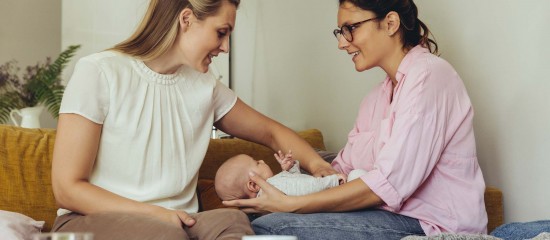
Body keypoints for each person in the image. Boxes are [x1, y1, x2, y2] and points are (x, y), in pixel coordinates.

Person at [50, 0, 337, 239]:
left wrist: (317, 165)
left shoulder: (204, 86)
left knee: (232, 223)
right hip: (88, 220)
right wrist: (156, 214)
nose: (225, 47)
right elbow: (67, 189)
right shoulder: (99, 72)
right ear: (186, 19)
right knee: (164, 234)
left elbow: (272, 132)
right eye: (221, 32)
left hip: (177, 223)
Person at [223, 0, 488, 239]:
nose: (342, 42)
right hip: (384, 213)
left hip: (429, 223)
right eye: (340, 32)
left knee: (272, 227)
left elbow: (386, 187)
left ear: (391, 23)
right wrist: (294, 182)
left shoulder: (430, 76)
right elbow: (342, 170)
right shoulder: (376, 98)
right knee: (248, 218)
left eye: (351, 28)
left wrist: (290, 205)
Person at [215, 150, 357, 201]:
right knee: (358, 175)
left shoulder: (271, 191)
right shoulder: (275, 186)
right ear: (253, 185)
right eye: (257, 163)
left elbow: (295, 184)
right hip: (333, 190)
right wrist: (333, 181)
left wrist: (290, 169)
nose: (262, 161)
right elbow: (307, 187)